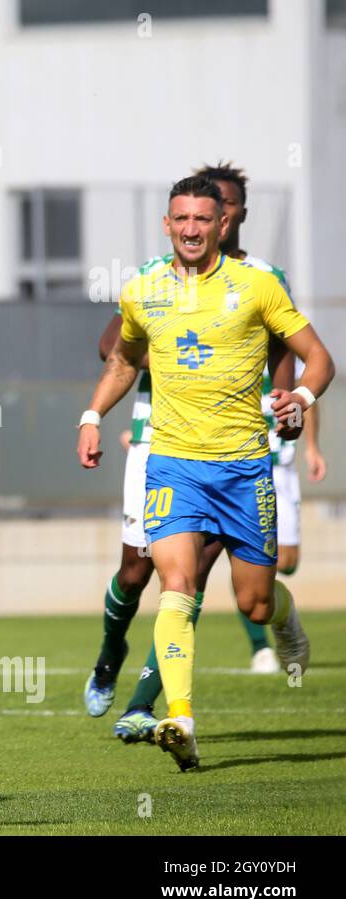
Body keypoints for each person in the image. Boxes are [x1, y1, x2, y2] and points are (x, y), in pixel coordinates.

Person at [78, 176, 334, 770]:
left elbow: (320, 357)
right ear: (166, 225)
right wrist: (92, 414)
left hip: (246, 468)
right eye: (180, 219)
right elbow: (122, 359)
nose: (190, 229)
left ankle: (287, 622)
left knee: (255, 603)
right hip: (172, 463)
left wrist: (301, 398)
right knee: (177, 584)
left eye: (202, 219)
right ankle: (182, 719)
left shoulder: (257, 287)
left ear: (222, 225)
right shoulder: (143, 290)